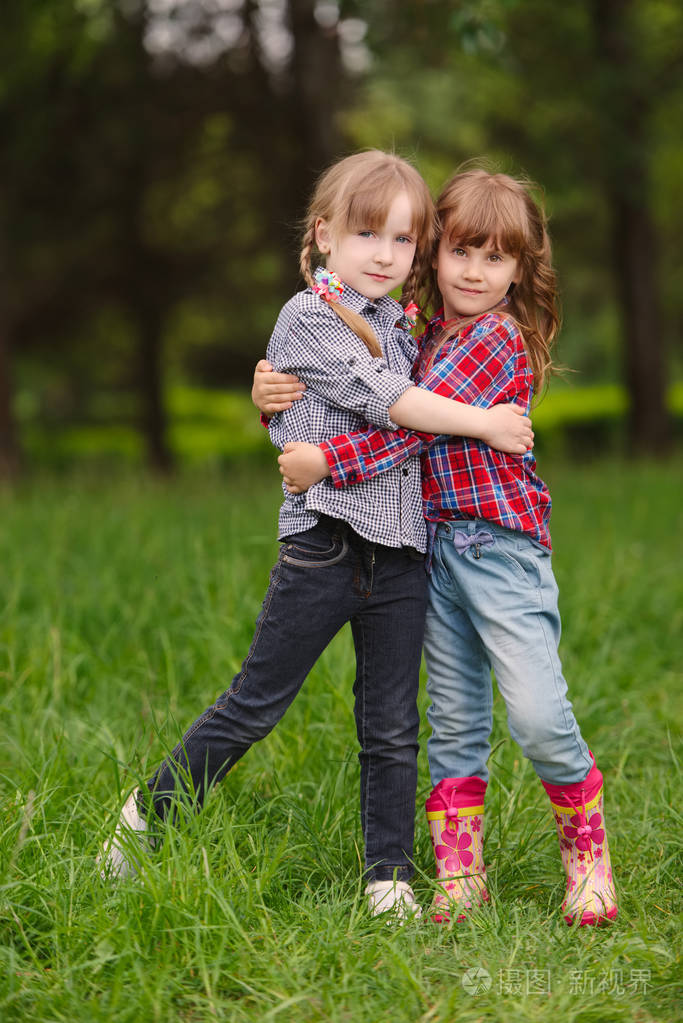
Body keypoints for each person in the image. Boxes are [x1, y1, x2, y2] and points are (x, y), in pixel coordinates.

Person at [98, 152, 533, 920]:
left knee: (392, 726)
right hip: (325, 545)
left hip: (401, 555)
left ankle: (388, 877)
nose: (384, 254)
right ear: (324, 235)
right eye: (367, 233)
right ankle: (145, 817)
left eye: (403, 241)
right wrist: (484, 423)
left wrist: (294, 426)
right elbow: (393, 404)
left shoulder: (403, 326)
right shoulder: (307, 316)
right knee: (257, 701)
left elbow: (393, 414)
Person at [253, 168, 618, 928]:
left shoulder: (492, 337)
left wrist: (330, 463)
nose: (475, 272)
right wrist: (271, 392)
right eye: (461, 251)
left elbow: (410, 427)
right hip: (430, 550)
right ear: (437, 252)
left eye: (495, 258)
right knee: (453, 719)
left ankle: (587, 856)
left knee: (536, 712)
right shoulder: (415, 331)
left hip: (498, 549)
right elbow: (347, 379)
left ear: (520, 270)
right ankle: (460, 873)